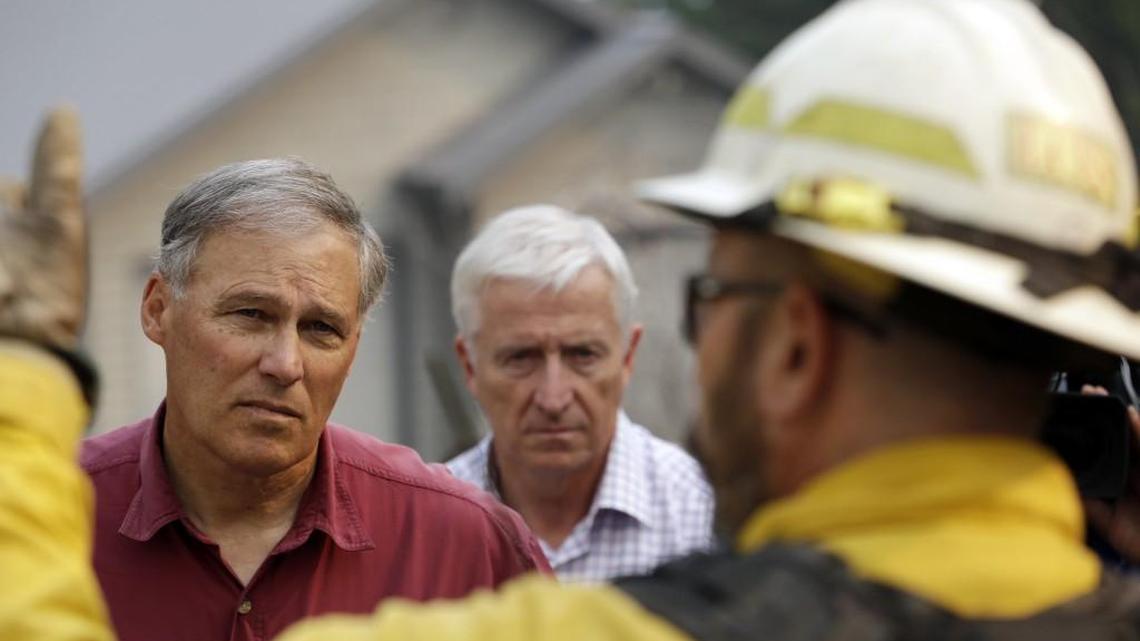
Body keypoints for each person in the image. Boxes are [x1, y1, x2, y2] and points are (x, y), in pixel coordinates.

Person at [78, 158, 548, 641]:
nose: (285, 364)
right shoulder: (39, 524)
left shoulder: (469, 547)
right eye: (251, 314)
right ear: (159, 310)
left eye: (321, 329)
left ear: (354, 347)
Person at [446, 205, 714, 582]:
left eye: (583, 355)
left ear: (627, 355)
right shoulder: (427, 521)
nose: (553, 398)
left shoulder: (700, 516)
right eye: (521, 358)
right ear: (470, 365)